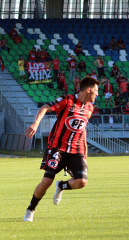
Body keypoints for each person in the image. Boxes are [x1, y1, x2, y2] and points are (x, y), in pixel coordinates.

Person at [23, 77, 100, 222]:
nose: (97, 94)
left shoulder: (90, 108)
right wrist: (35, 124)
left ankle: (62, 185)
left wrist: (85, 153)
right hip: (57, 148)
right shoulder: (67, 100)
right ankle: (31, 209)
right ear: (88, 89)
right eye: (96, 91)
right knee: (46, 181)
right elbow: (45, 108)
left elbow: (82, 129)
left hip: (76, 150)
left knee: (81, 182)